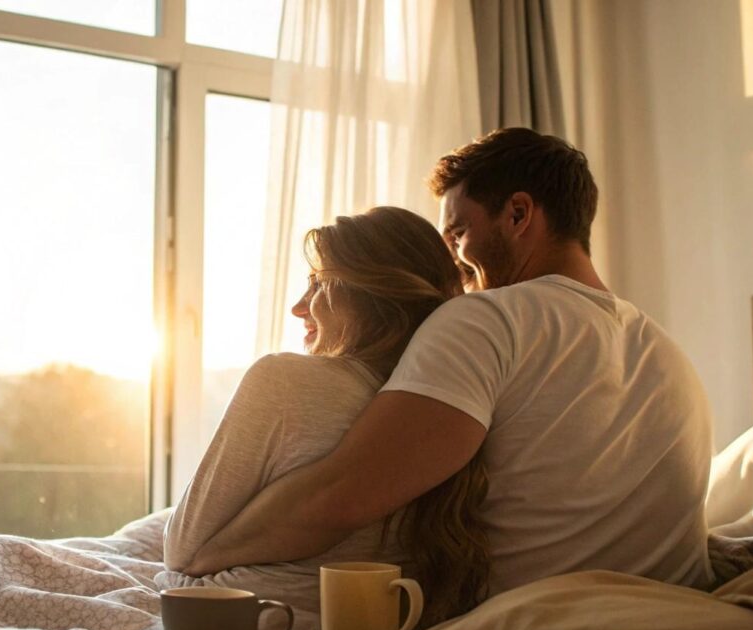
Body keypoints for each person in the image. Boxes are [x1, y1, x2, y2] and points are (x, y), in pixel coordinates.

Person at [184, 128, 715, 597]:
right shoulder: (669, 354)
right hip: (667, 625)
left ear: (518, 213)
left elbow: (339, 497)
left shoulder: (490, 320)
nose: (456, 264)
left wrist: (201, 558)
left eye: (459, 232)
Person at [159, 206, 490, 630]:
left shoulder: (283, 380)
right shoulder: (451, 407)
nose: (298, 307)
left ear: (368, 294)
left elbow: (182, 550)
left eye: (317, 284)